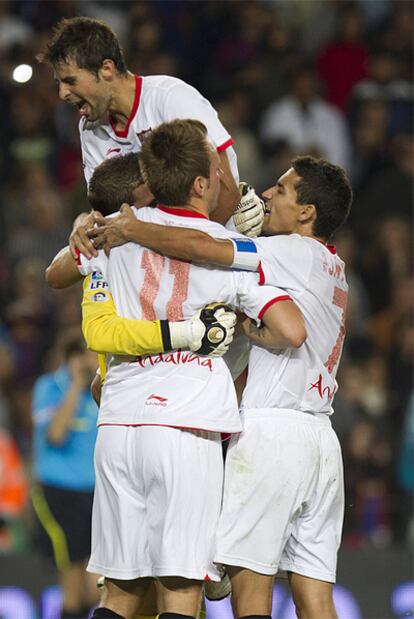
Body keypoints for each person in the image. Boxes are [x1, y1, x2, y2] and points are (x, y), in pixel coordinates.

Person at [46, 119, 306, 619]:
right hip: (186, 427)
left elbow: (58, 271)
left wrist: (84, 228)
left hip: (119, 425)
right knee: (181, 592)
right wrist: (246, 329)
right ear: (202, 184)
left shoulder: (113, 235)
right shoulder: (226, 250)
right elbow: (290, 327)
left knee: (118, 593)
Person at [87, 153, 353, 619]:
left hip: (272, 434)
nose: (267, 194)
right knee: (316, 597)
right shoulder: (335, 266)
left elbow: (208, 248)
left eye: (282, 190)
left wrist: (131, 229)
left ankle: (219, 567)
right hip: (321, 440)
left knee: (247, 591)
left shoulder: (291, 251)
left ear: (307, 212)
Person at [36, 15, 265, 257]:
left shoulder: (170, 99)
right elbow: (105, 213)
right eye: (59, 83)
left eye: (70, 81)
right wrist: (81, 222)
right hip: (147, 268)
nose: (62, 93)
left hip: (210, 258)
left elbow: (227, 193)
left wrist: (176, 253)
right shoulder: (89, 129)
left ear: (106, 69)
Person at [31, 333, 101, 619]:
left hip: (95, 495)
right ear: (74, 358)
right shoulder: (49, 387)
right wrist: (74, 385)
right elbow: (56, 434)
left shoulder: (103, 390)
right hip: (59, 494)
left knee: (94, 589)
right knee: (72, 582)